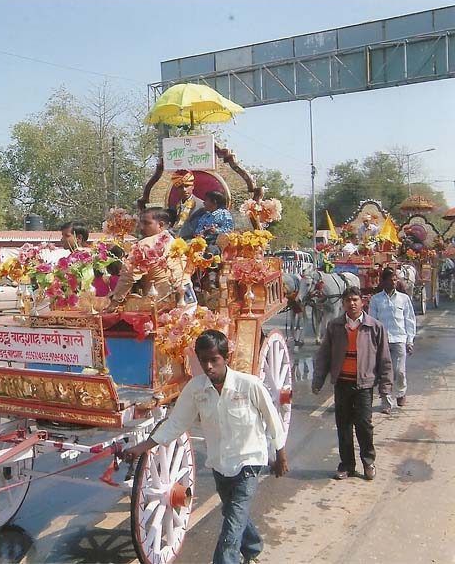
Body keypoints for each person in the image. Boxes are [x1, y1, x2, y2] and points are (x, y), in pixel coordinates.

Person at [123, 330, 288, 564]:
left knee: (231, 530)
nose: (209, 366)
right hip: (220, 465)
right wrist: (143, 447)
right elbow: (176, 423)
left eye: (214, 360)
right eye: (203, 360)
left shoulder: (249, 385)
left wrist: (280, 455)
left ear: (226, 358)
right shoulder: (196, 389)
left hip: (249, 464)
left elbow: (273, 420)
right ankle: (253, 548)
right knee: (232, 513)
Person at [312, 286, 393, 481]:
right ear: (343, 304)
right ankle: (346, 465)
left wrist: (385, 387)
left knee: (364, 425)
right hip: (342, 384)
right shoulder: (335, 326)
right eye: (348, 300)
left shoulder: (375, 327)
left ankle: (368, 462)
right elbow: (324, 355)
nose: (352, 303)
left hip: (364, 385)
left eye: (355, 300)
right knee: (344, 426)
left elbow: (385, 359)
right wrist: (318, 380)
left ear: (362, 302)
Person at [104, 207, 196, 311]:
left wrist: (115, 302)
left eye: (146, 223)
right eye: (141, 223)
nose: (142, 228)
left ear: (160, 225)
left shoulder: (145, 244)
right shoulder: (178, 242)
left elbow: (128, 276)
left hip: (162, 304)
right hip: (189, 302)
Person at [368, 267, 416, 407]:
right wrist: (372, 341)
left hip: (399, 339)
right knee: (384, 372)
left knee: (399, 371)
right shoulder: (376, 300)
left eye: (395, 280)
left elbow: (410, 320)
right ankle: (386, 401)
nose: (394, 282)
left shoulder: (404, 299)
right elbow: (372, 321)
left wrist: (410, 341)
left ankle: (401, 393)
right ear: (383, 281)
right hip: (382, 341)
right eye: (390, 280)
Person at [171, 170, 206, 240]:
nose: (184, 190)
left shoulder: (202, 206)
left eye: (187, 186)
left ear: (193, 186)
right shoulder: (175, 207)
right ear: (176, 189)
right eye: (180, 187)